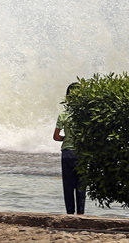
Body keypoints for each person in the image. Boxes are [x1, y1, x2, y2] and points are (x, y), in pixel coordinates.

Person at [53, 82, 85, 215]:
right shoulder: (85, 116)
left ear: (67, 98)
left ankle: (70, 215)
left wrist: (65, 138)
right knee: (81, 186)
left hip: (67, 153)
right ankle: (81, 215)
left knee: (68, 185)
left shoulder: (63, 116)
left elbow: (55, 136)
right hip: (82, 153)